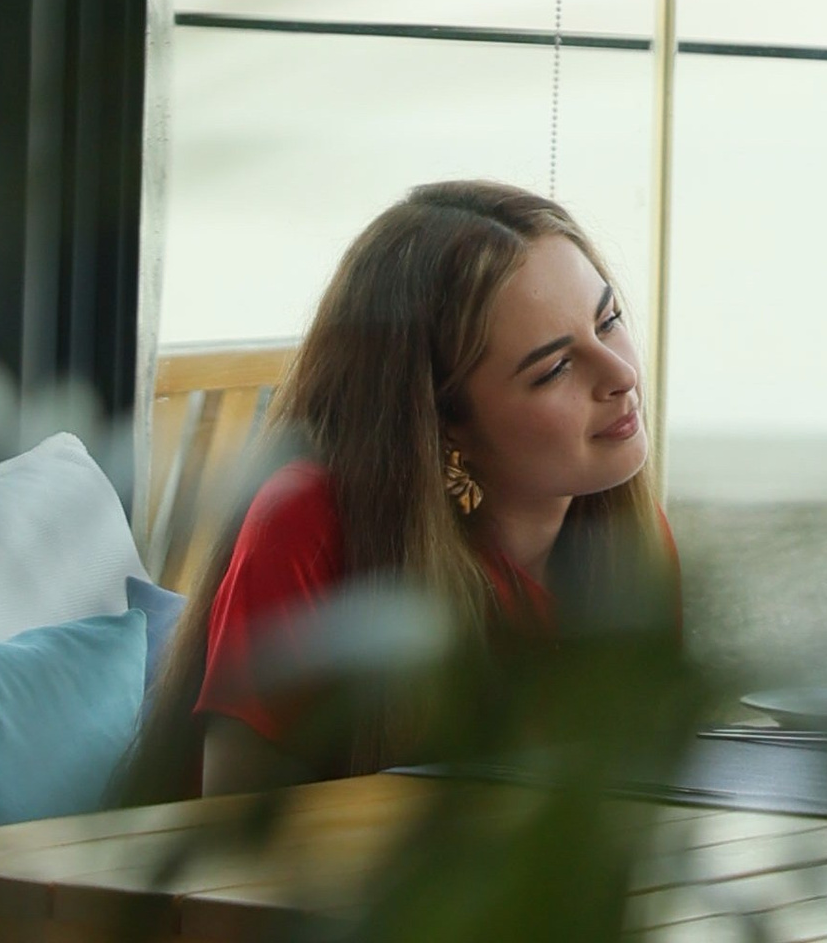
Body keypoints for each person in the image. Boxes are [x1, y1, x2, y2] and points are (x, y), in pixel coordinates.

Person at [128, 179, 670, 797]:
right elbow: (233, 833)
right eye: (555, 368)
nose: (621, 373)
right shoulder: (308, 522)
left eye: (609, 321)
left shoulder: (628, 538)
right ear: (442, 422)